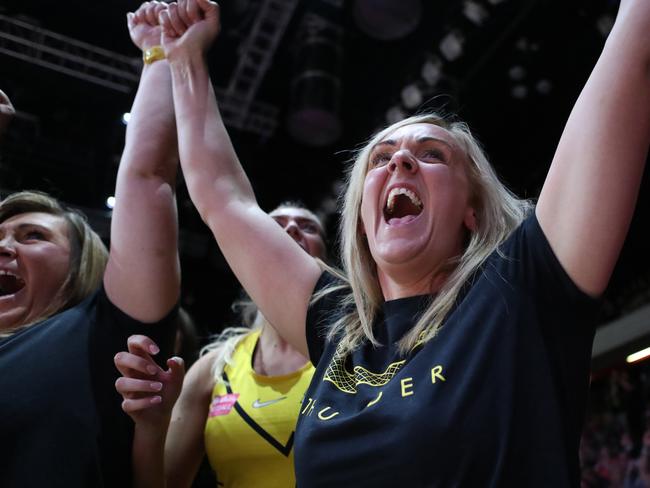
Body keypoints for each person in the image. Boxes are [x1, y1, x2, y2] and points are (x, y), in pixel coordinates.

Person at [122, 0, 650, 485]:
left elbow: (635, 52)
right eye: (381, 158)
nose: (399, 161)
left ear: (473, 210)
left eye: (432, 154)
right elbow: (222, 198)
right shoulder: (338, 330)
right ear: (361, 220)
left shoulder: (523, 288)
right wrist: (185, 55)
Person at [0, 1, 181, 486]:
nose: (4, 247)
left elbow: (148, 175)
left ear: (85, 265)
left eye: (32, 235)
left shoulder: (102, 338)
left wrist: (159, 53)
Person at [115, 201, 327, 487]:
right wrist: (152, 427)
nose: (290, 229)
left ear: (326, 256)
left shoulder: (361, 349)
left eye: (308, 227)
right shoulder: (214, 368)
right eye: (275, 225)